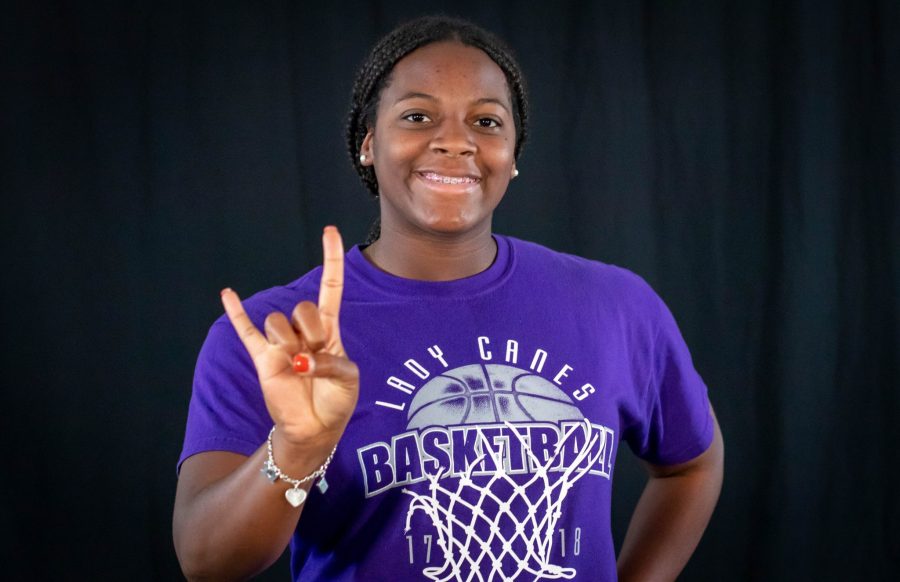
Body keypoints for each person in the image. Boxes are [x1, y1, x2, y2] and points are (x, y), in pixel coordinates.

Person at [173, 15, 724, 582]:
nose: (455, 140)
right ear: (368, 144)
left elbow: (692, 465)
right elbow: (207, 561)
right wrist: (296, 449)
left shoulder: (616, 306)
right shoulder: (278, 334)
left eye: (486, 122)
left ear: (513, 154)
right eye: (417, 116)